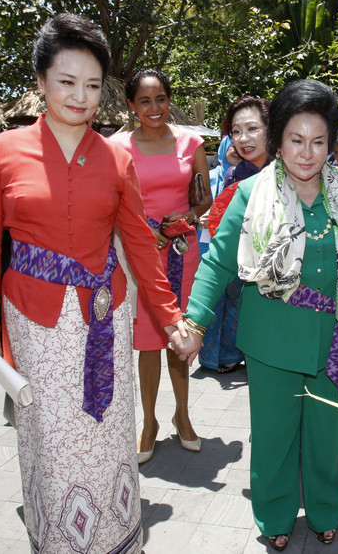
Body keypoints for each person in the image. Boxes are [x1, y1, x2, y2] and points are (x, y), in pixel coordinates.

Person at [0, 14, 190, 553]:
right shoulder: (2, 150)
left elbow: (139, 244)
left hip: (103, 321)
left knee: (107, 434)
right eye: (66, 81)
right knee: (49, 439)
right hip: (34, 325)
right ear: (40, 82)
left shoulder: (116, 157)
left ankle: (113, 538)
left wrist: (170, 316)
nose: (79, 96)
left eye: (92, 85)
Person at [180, 80, 338, 550]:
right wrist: (194, 322)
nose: (307, 153)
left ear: (332, 142)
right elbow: (218, 261)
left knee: (328, 436)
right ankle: (274, 518)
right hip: (270, 340)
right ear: (278, 140)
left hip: (334, 339)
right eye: (295, 140)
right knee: (272, 438)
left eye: (318, 142)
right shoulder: (250, 193)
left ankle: (326, 510)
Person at [110, 67, 210, 463]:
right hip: (137, 255)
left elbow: (204, 198)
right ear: (131, 105)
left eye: (161, 99)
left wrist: (180, 222)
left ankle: (183, 415)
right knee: (147, 341)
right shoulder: (115, 147)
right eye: (145, 101)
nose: (155, 108)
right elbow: (111, 200)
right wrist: (142, 234)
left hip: (182, 251)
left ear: (170, 100)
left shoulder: (191, 142)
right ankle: (148, 421)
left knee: (180, 336)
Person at [200, 96, 271, 374]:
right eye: (236, 132)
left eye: (253, 128)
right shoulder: (234, 174)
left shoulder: (289, 170)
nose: (243, 138)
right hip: (240, 260)